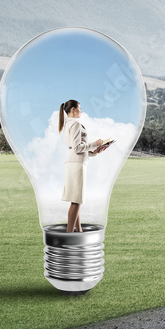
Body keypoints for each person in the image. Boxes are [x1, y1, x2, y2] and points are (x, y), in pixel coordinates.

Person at [58, 99, 109, 232]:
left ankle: (79, 230)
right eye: (80, 108)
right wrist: (95, 143)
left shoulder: (67, 125)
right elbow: (77, 148)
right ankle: (69, 233)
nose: (81, 111)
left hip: (74, 162)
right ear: (73, 109)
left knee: (76, 199)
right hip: (76, 164)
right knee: (76, 200)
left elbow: (78, 149)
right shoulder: (74, 124)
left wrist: (95, 152)